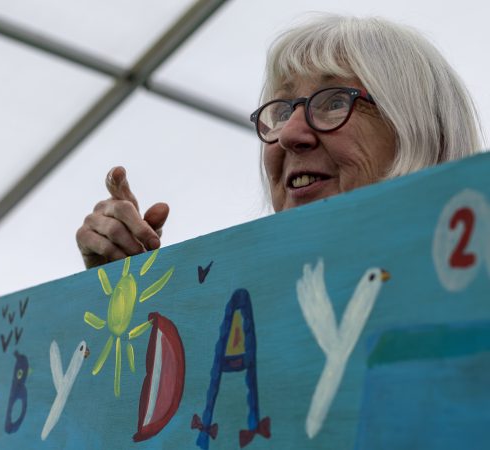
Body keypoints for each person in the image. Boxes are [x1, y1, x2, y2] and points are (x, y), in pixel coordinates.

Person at [76, 14, 483, 269]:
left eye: (335, 101)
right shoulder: (248, 319)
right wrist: (127, 290)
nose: (289, 134)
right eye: (283, 111)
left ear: (423, 132)